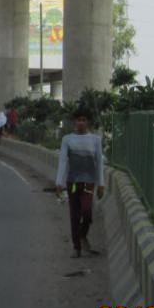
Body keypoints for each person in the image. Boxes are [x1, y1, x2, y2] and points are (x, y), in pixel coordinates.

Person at [55, 106, 106, 258]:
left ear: (88, 122)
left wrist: (101, 184)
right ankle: (76, 247)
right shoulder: (67, 139)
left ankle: (83, 235)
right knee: (74, 215)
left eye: (84, 120)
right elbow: (63, 161)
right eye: (79, 120)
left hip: (89, 182)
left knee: (87, 212)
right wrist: (59, 183)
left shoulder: (95, 140)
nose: (81, 123)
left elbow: (99, 162)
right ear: (74, 122)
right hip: (73, 182)